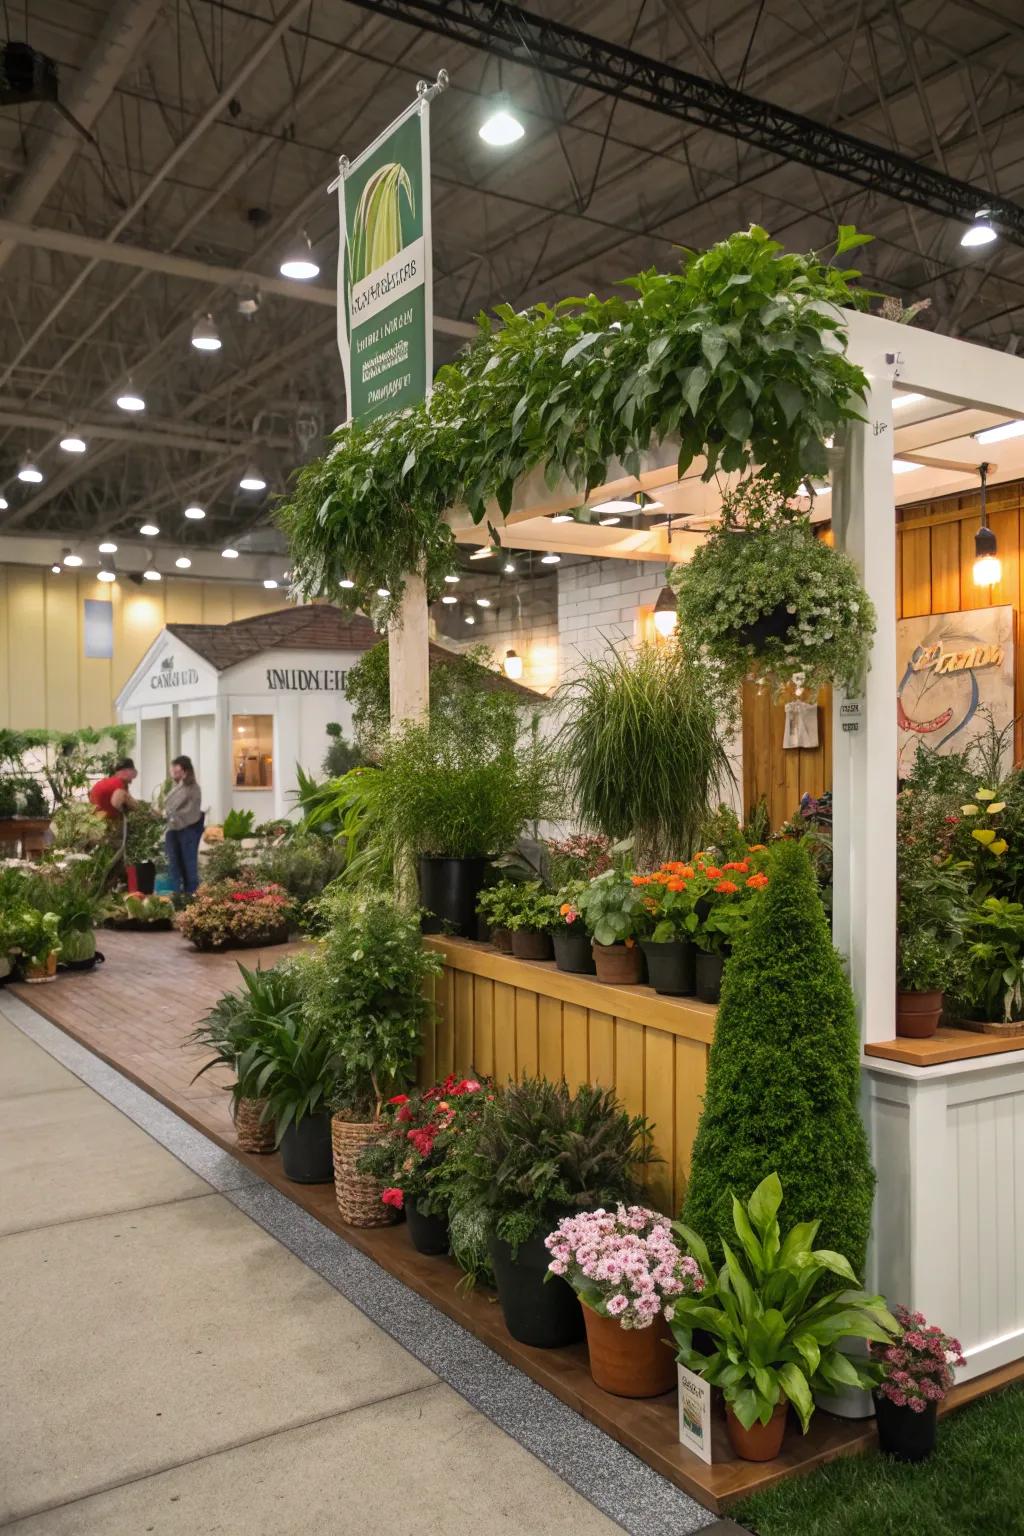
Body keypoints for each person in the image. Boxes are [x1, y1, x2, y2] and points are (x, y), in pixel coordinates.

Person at [163, 755, 204, 898]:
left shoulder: (192, 788)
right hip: (173, 830)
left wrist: (170, 816)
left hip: (187, 830)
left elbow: (190, 811)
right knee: (174, 865)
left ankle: (191, 896)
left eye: (177, 771)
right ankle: (178, 895)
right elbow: (168, 806)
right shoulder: (177, 787)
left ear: (186, 771)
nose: (174, 773)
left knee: (189, 865)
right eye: (173, 770)